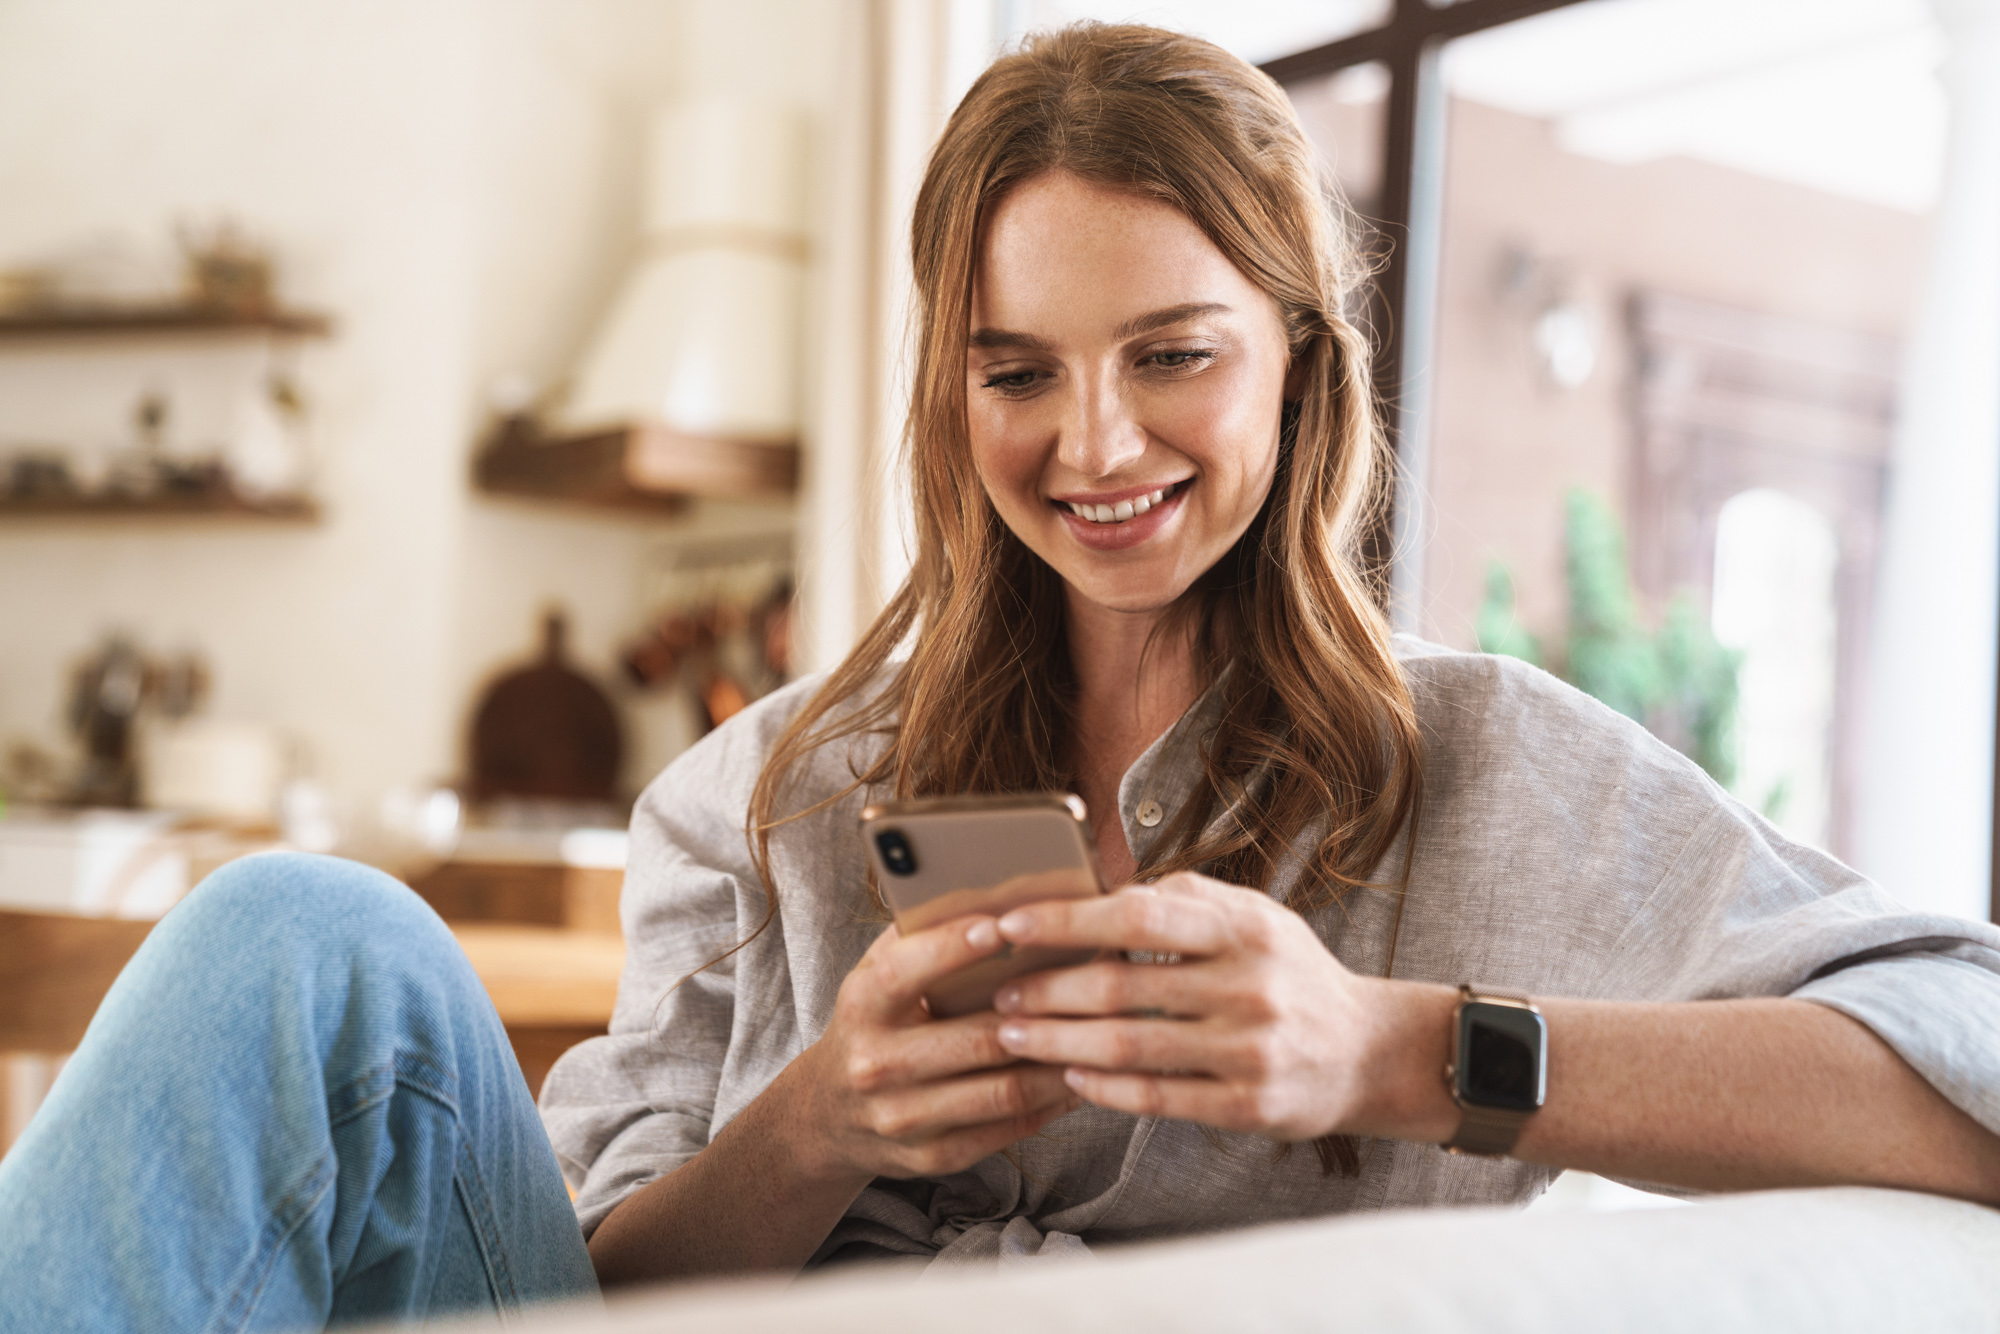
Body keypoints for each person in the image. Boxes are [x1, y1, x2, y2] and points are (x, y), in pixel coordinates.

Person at [2, 21, 1997, 1330]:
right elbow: (575, 1286)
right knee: (295, 944)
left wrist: (1398, 1051)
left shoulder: (1476, 765)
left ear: (1300, 359)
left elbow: (1968, 1049)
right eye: (1015, 370)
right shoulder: (763, 792)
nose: (1095, 446)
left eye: (1174, 353)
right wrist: (826, 1121)